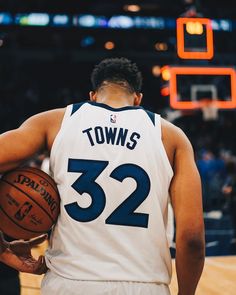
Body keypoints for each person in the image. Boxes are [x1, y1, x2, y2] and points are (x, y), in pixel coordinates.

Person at [0, 57, 205, 295]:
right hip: (144, 285)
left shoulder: (53, 122)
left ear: (93, 96)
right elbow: (192, 239)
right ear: (138, 99)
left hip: (68, 282)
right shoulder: (172, 137)